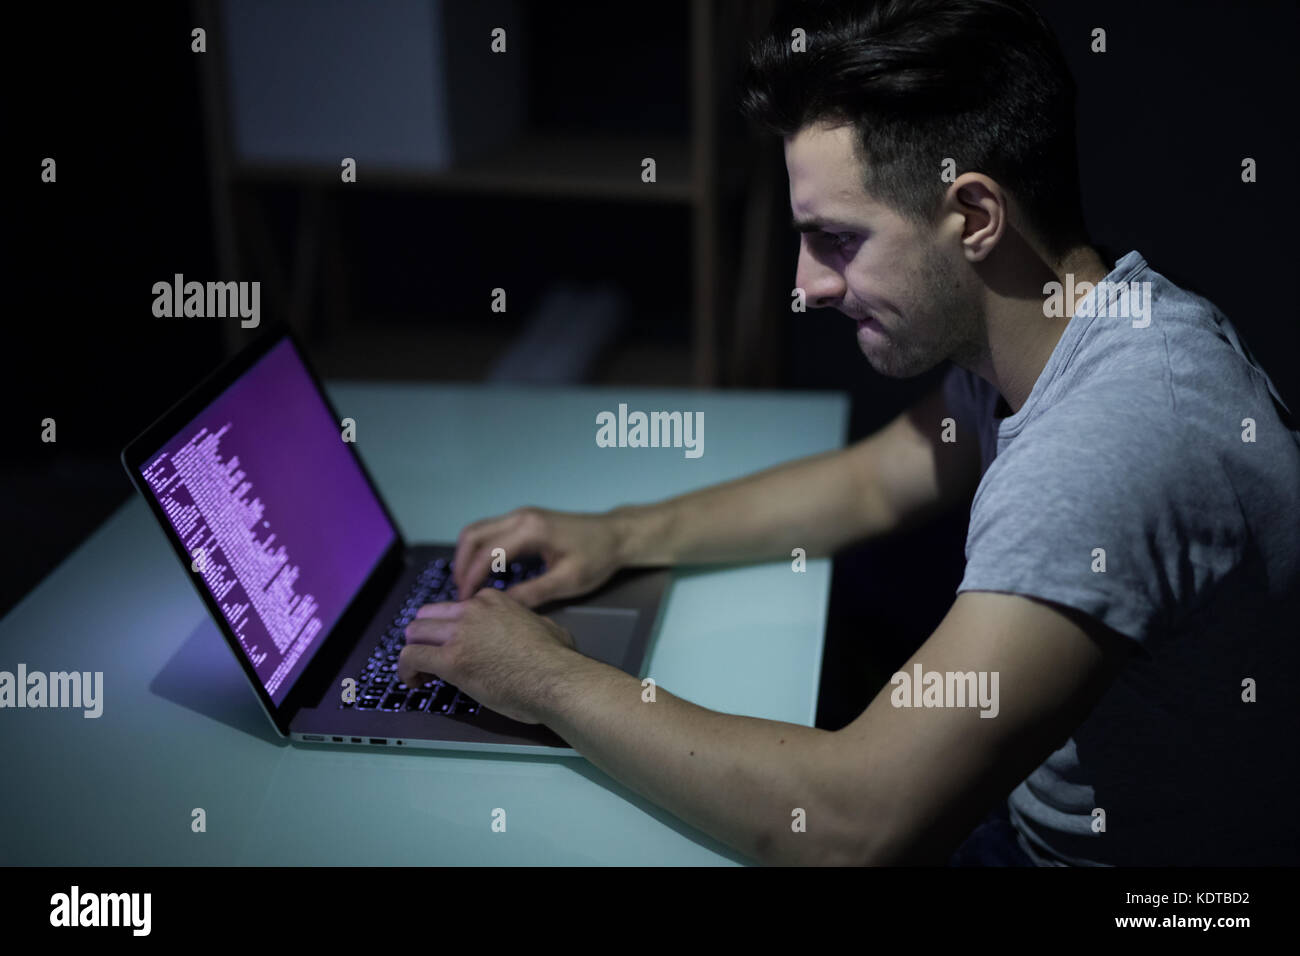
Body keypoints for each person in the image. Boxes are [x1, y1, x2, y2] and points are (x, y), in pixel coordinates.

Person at [398, 0, 1300, 865]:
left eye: (836, 239)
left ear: (976, 218)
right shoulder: (1083, 320)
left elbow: (854, 827)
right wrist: (621, 533)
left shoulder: (1111, 444)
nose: (809, 285)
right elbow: (872, 483)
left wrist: (548, 681)